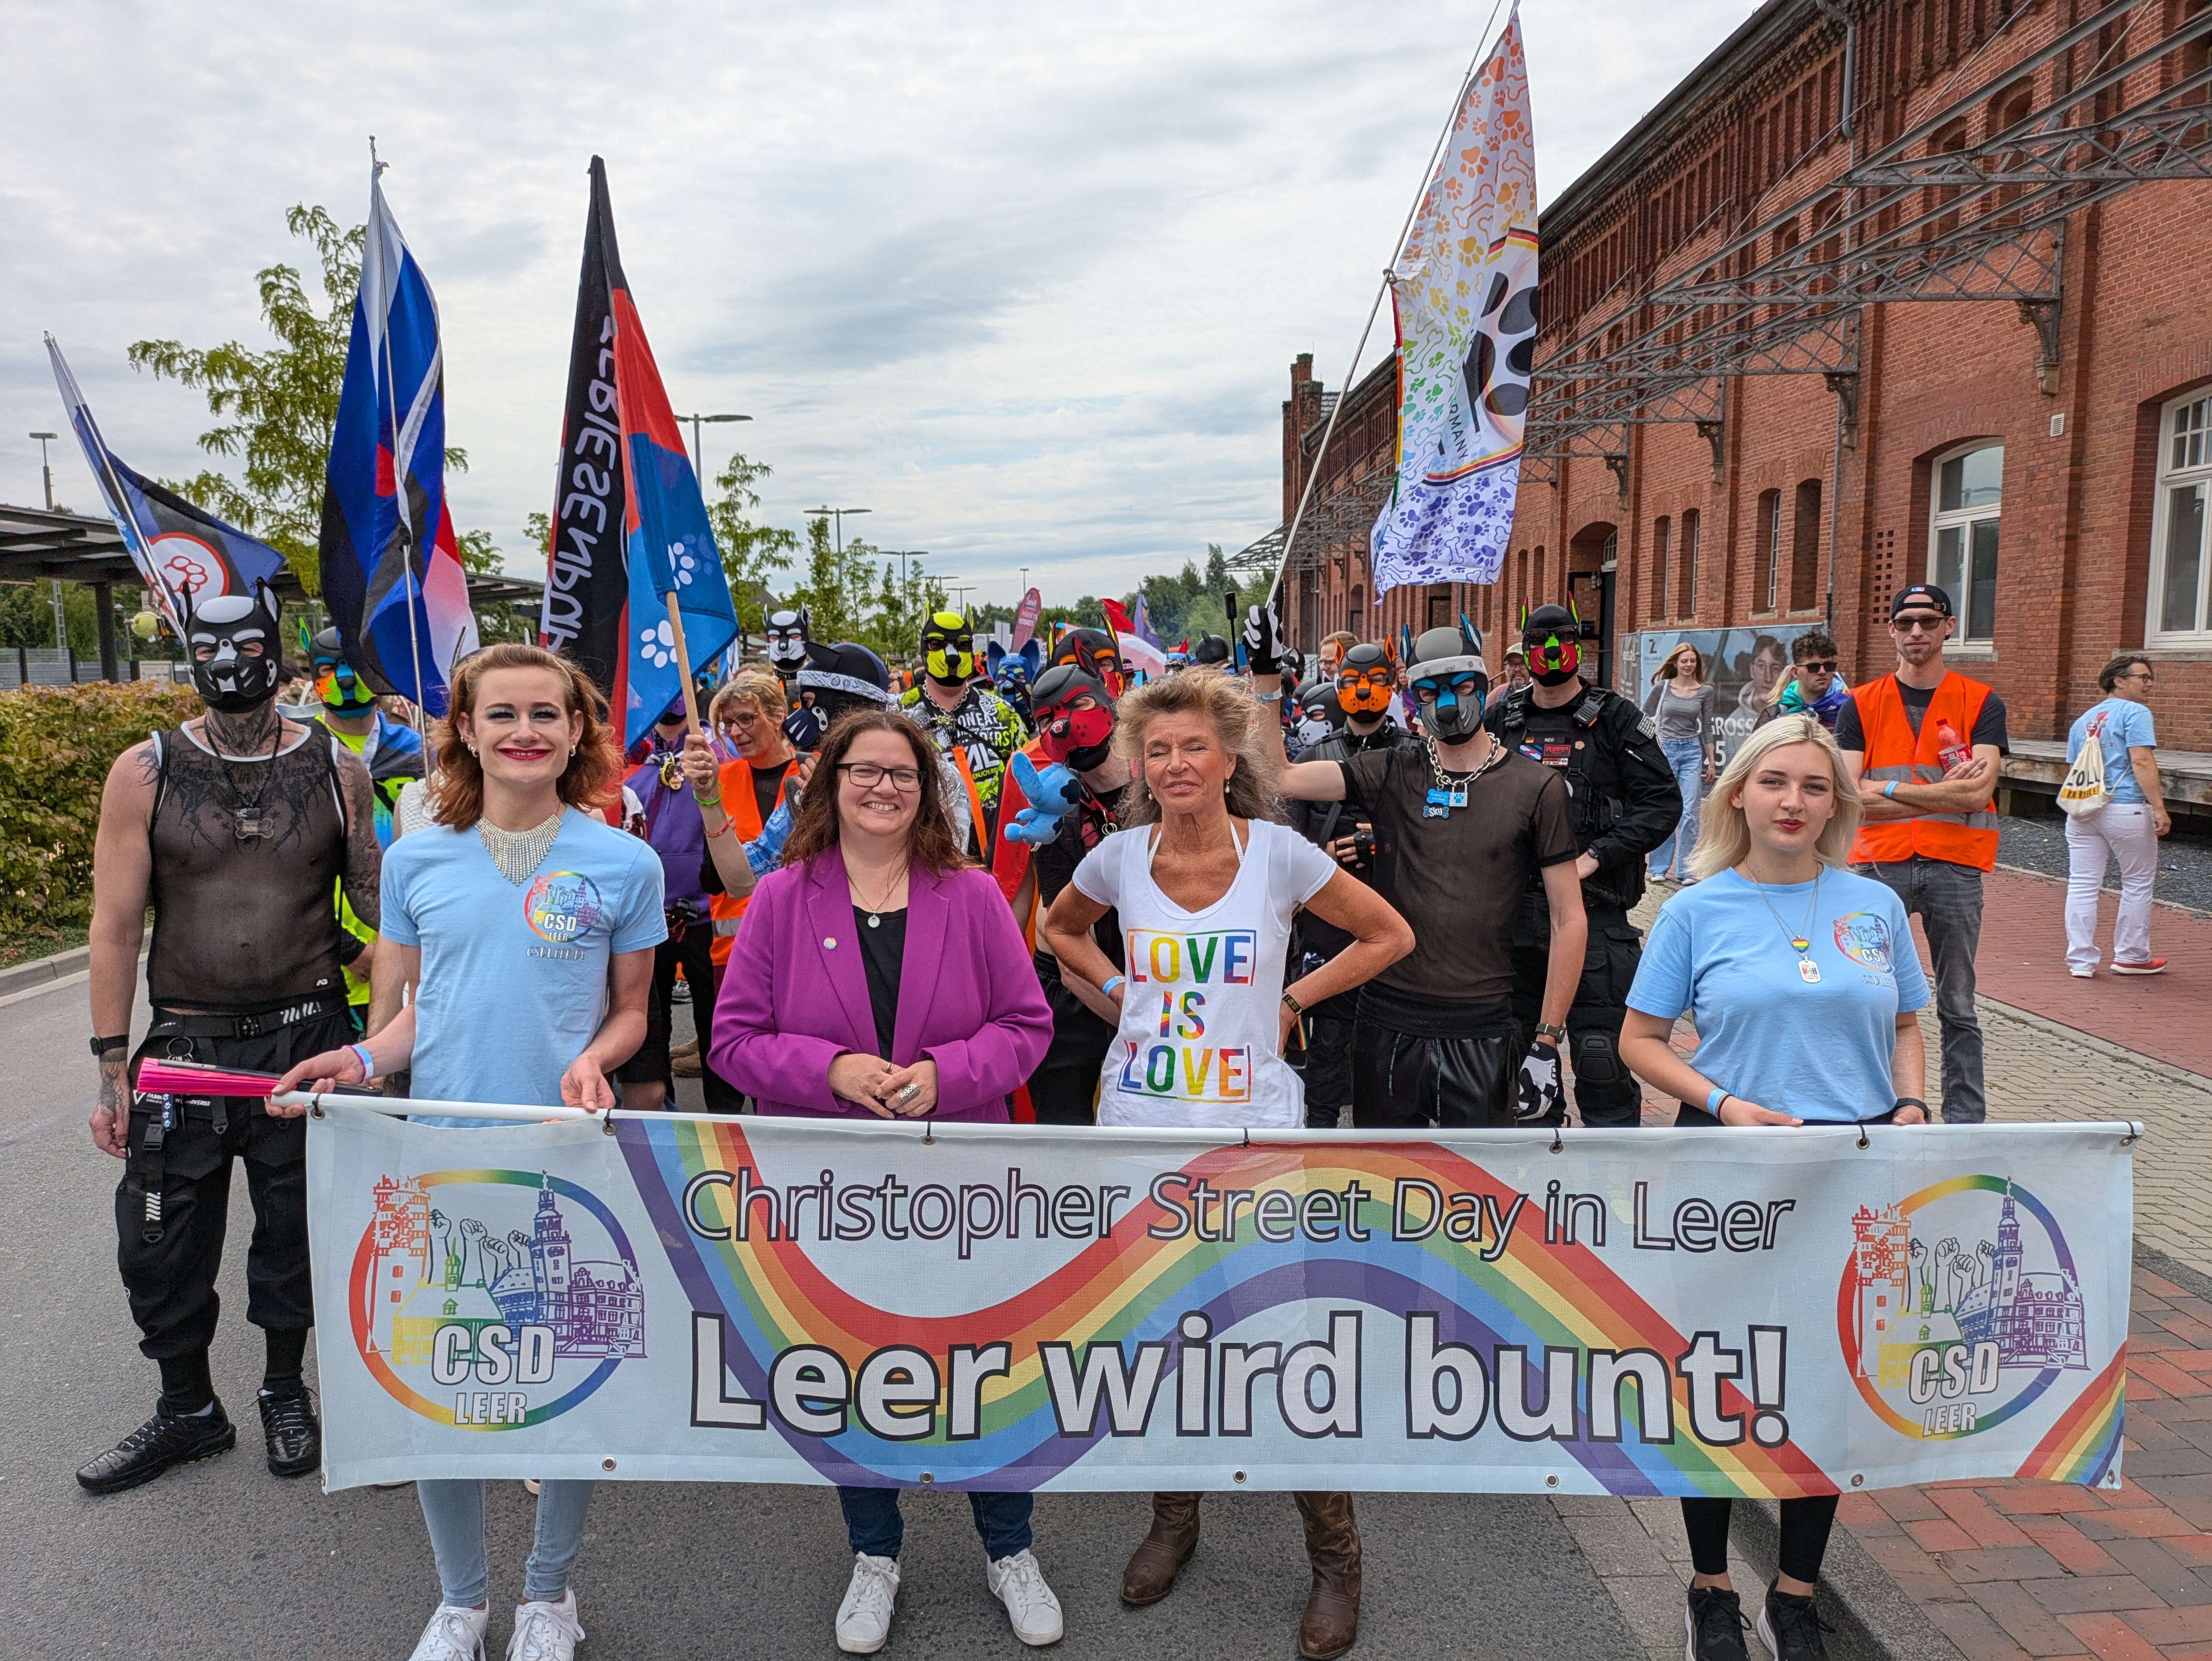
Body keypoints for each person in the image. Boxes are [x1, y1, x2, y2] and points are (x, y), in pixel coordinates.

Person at [278, 642, 658, 1661]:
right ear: (466, 728)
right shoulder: (415, 860)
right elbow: (404, 1017)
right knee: (439, 1382)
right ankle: (461, 1600)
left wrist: (594, 1060)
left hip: (566, 1157)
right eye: (502, 714)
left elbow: (630, 1013)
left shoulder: (624, 859)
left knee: (561, 1381)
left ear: (577, 730)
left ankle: (548, 1595)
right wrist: (353, 1059)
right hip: (439, 1155)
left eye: (546, 712)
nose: (524, 730)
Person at [1038, 669, 1410, 1661]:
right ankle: (1174, 1517)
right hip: (1143, 1134)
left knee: (1282, 1343)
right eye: (1157, 750)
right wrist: (1120, 994)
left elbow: (1387, 933)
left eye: (1193, 746)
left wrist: (1294, 1001)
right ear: (1136, 762)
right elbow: (1056, 929)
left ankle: (1334, 1556)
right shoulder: (1118, 858)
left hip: (1252, 1136)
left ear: (1229, 754)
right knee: (1162, 1334)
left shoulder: (1278, 854)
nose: (1175, 765)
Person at [709, 709, 1061, 1655]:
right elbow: (732, 1040)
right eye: (862, 770)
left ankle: (1009, 1545)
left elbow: (1026, 1026)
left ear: (926, 789)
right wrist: (828, 1070)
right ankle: (874, 1552)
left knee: (981, 1360)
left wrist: (950, 1071)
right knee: (849, 1360)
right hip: (833, 1185)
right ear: (831, 784)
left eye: (900, 773)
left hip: (960, 1181)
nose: (881, 787)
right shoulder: (783, 898)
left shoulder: (974, 894)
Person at [1619, 713, 1928, 1661]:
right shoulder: (1694, 909)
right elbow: (1637, 1040)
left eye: (1812, 784)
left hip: (1855, 1172)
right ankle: (1710, 1588)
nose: (1791, 801)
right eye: (1773, 782)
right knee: (1717, 1379)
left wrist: (1912, 1102)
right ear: (1737, 794)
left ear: (1832, 803)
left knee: (1827, 1382)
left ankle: (1792, 1596)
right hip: (1732, 1166)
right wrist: (1723, 1099)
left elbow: (1908, 1020)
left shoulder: (1870, 905)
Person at [78, 582, 381, 1495]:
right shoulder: (147, 770)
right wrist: (108, 1065)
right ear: (186, 652)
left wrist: (406, 966)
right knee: (161, 1239)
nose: (227, 665)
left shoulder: (337, 766)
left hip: (307, 1043)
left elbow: (378, 905)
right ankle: (187, 1409)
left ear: (275, 649)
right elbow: (115, 925)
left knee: (295, 1235)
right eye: (206, 648)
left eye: (243, 645)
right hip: (186, 1051)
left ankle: (285, 1389)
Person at [1270, 614, 1587, 1131]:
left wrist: (1548, 1040)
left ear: (1483, 688)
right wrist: (1264, 679)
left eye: (1461, 688)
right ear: (1412, 697)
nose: (1446, 704)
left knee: (1478, 1193)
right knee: (1383, 1189)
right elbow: (1281, 774)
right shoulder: (1396, 769)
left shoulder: (1536, 788)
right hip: (1388, 1020)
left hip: (1482, 1021)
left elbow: (1568, 918)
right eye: (1429, 691)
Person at [1487, 605, 1680, 1129]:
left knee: (1602, 1061)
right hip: (1515, 921)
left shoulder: (1615, 718)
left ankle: (1610, 1199)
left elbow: (1662, 803)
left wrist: (1596, 857)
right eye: (1538, 641)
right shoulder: (1501, 719)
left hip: (1597, 919)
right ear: (1523, 650)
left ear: (1581, 644)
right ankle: (1532, 1198)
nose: (1551, 652)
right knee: (1514, 1077)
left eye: (1564, 639)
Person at [1837, 583, 2006, 1124]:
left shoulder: (1981, 701)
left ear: (1948, 627)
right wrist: (1933, 797)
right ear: (1890, 630)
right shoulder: (1859, 703)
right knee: (1866, 998)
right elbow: (1845, 798)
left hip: (1954, 868)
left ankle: (1964, 1124)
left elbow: (1976, 795)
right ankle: (1869, 1108)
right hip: (1875, 866)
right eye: (1905, 622)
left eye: (1928, 621)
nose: (1916, 631)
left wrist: (1882, 791)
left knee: (1957, 1004)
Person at [992, 661, 1133, 1123]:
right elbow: (1066, 940)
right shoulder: (1053, 810)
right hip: (1076, 991)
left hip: (1152, 982)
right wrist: (1139, 1021)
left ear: (1107, 701)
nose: (1067, 723)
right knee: (1064, 1141)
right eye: (1049, 716)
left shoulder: (1162, 789)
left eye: (1080, 705)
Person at [1285, 640, 1417, 1129]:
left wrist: (1380, 844)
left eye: (1376, 681)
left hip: (1395, 916)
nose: (1363, 692)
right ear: (1338, 686)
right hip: (1329, 921)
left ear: (1392, 684)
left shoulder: (1414, 754)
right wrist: (1317, 858)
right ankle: (1319, 1139)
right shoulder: (1313, 756)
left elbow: (1434, 834)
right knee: (1328, 1041)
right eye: (1352, 682)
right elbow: (1287, 837)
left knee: (1392, 1045)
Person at [298, 624, 428, 1029]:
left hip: (412, 955)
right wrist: (349, 948)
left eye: (357, 666)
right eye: (328, 668)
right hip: (324, 965)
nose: (344, 679)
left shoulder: (420, 754)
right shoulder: (297, 756)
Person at [611, 701, 724, 1112]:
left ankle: (724, 1114)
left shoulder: (716, 755)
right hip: (648, 918)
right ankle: (662, 1118)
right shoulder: (632, 764)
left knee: (715, 1023)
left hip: (706, 915)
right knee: (648, 1020)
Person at [2064, 653, 2171, 977]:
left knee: (2082, 884)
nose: (2149, 683)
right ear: (2119, 681)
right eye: (2143, 677)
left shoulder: (2084, 719)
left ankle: (2081, 961)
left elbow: (2073, 767)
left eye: (2150, 677)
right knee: (2137, 883)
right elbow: (2141, 761)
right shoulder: (2136, 712)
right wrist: (2159, 807)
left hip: (2084, 808)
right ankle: (2131, 955)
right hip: (2126, 807)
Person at [898, 609, 1030, 857]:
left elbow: (1029, 780)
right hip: (922, 860)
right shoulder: (897, 715)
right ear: (924, 650)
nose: (951, 655)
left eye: (962, 645)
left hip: (998, 861)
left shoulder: (1003, 714)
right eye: (937, 644)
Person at [1644, 643, 1717, 883]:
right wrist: (1646, 750)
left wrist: (1712, 762)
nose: (1688, 665)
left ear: (1697, 664)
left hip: (1691, 752)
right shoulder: (1662, 688)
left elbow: (1706, 728)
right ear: (1675, 663)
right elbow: (1643, 717)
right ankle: (1658, 868)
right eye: (1684, 661)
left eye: (1693, 661)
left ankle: (1685, 870)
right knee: (1666, 807)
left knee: (1690, 812)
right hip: (1665, 750)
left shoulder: (1705, 692)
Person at [1755, 631, 1847, 732]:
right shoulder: (1775, 715)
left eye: (1829, 666)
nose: (1822, 672)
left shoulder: (1848, 710)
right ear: (1795, 672)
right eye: (1813, 667)